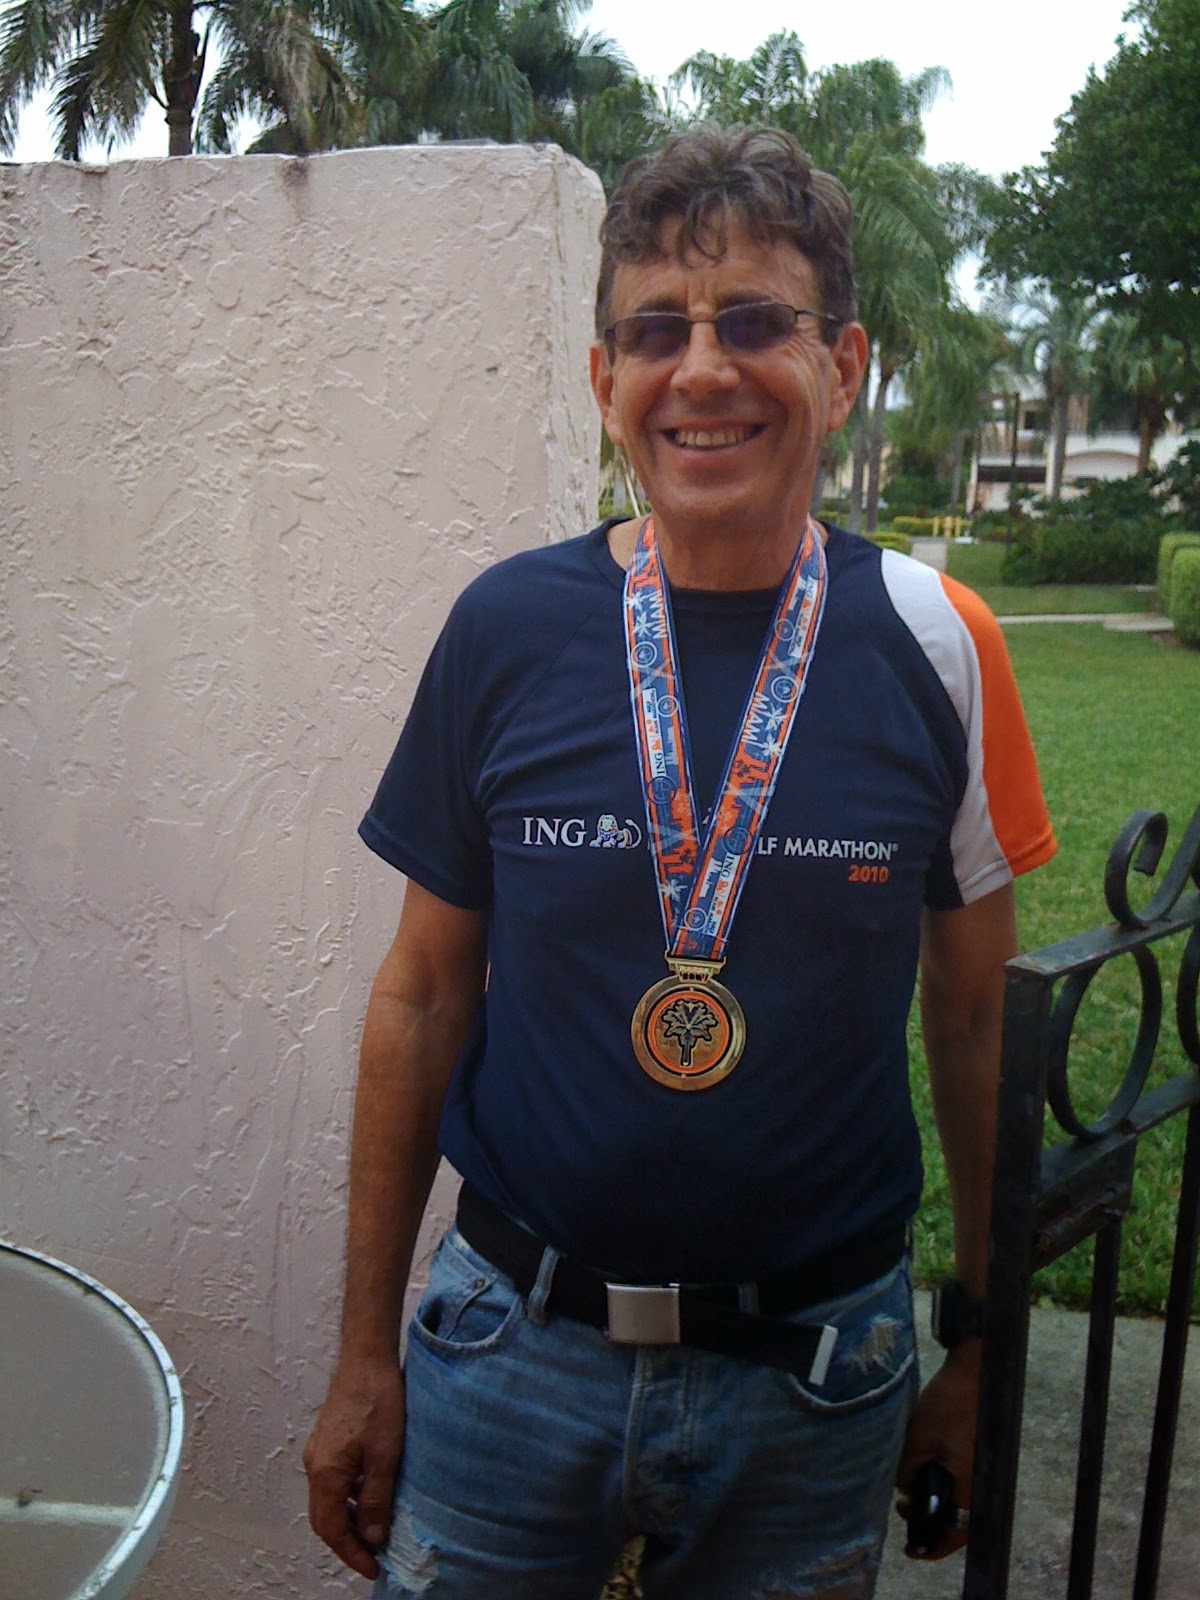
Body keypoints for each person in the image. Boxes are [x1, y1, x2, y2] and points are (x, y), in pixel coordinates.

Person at [304, 124, 1056, 1600]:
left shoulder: (938, 645)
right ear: (605, 386)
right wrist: (357, 1354)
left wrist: (978, 1346)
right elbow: (420, 999)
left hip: (816, 1377)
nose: (701, 370)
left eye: (757, 323)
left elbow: (972, 1017)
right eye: (656, 331)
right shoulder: (507, 631)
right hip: (508, 1355)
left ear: (840, 369)